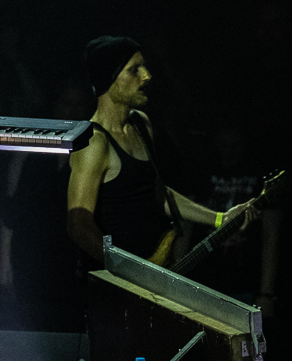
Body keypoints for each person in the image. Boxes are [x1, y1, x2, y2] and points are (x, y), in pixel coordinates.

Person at [66, 36, 256, 271]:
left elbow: (157, 193)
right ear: (109, 78)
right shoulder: (93, 142)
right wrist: (130, 271)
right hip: (112, 286)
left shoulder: (141, 123)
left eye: (143, 67)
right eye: (134, 70)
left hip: (148, 275)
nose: (147, 76)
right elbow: (78, 226)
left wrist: (219, 218)